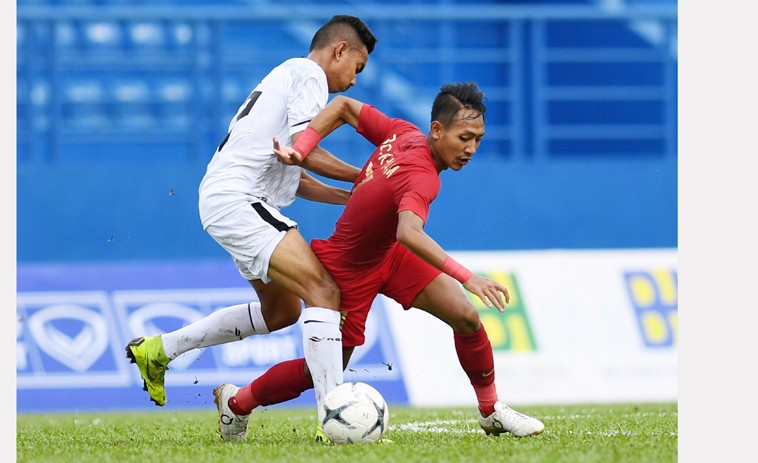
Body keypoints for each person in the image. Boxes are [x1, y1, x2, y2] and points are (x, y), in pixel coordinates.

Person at [213, 81, 545, 443]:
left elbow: (343, 107)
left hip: (389, 256)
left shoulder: (402, 132)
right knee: (321, 371)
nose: (471, 149)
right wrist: (468, 277)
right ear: (436, 130)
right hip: (346, 271)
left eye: (478, 140)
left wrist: (303, 147)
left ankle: (491, 410)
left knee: (464, 316)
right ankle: (237, 402)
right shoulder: (423, 177)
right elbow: (409, 232)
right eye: (465, 137)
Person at [124, 15, 378, 430]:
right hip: (239, 200)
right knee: (324, 291)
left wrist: (351, 195)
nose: (353, 81)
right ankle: (334, 419)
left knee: (281, 312)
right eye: (357, 67)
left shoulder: (288, 77)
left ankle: (159, 350)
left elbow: (296, 171)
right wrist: (367, 175)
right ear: (339, 51)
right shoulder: (310, 74)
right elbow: (305, 148)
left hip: (230, 199)